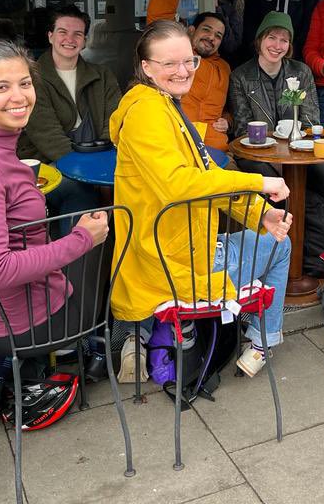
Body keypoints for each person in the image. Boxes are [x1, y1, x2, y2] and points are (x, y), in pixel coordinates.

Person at [109, 20, 293, 381]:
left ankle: (142, 336)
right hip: (177, 265)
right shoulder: (148, 113)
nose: (183, 71)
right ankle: (262, 342)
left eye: (188, 61)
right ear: (146, 67)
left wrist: (259, 214)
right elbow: (179, 184)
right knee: (281, 247)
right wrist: (259, 181)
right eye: (169, 63)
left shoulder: (163, 105)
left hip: (172, 249)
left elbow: (205, 175)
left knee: (271, 235)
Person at [0, 40, 109, 412]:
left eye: (25, 83)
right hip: (5, 322)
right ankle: (96, 350)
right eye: (1, 87)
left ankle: (8, 374)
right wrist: (82, 239)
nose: (18, 96)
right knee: (107, 247)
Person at [19, 6, 122, 236]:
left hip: (101, 162)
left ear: (84, 41)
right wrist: (89, 173)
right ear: (50, 36)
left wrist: (100, 166)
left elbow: (115, 122)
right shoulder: (31, 79)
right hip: (49, 164)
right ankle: (77, 257)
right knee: (79, 192)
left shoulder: (102, 75)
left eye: (78, 34)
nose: (70, 39)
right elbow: (47, 136)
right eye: (63, 32)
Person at [228, 11, 324, 210]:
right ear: (260, 39)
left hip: (299, 151)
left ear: (289, 45)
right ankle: (296, 228)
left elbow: (311, 121)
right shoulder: (241, 76)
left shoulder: (301, 71)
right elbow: (243, 130)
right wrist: (277, 156)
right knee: (282, 194)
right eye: (271, 37)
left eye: (284, 40)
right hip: (257, 155)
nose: (277, 45)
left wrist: (292, 153)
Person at [146, 0, 233, 151]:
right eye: (207, 30)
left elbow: (226, 108)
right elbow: (159, 15)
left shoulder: (224, 68)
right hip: (181, 147)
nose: (211, 37)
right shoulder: (176, 57)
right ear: (191, 30)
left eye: (218, 35)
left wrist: (228, 120)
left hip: (218, 151)